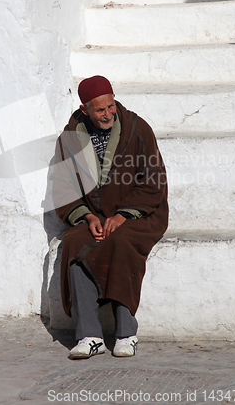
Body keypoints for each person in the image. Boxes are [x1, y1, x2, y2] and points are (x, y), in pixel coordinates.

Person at [52, 76, 168, 359]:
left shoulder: (137, 130)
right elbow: (62, 186)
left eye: (111, 106)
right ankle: (90, 335)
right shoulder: (69, 139)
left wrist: (122, 215)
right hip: (93, 215)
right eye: (100, 110)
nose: (108, 114)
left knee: (122, 241)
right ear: (85, 109)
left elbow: (154, 180)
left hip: (139, 215)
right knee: (75, 244)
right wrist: (88, 217)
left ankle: (126, 333)